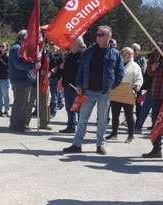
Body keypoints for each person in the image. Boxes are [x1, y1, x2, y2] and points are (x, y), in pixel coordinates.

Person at [63, 25, 124, 155]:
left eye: (101, 35)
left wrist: (112, 86)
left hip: (104, 92)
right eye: (97, 34)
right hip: (88, 91)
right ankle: (76, 145)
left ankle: (99, 145)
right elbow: (81, 70)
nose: (98, 37)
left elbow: (120, 72)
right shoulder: (89, 51)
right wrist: (79, 84)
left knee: (102, 120)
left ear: (109, 37)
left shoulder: (116, 54)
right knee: (83, 119)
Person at [106, 47, 143, 143]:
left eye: (130, 53)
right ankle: (114, 133)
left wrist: (136, 86)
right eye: (126, 53)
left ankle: (130, 136)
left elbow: (140, 79)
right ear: (122, 54)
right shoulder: (117, 64)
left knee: (129, 116)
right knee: (115, 114)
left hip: (128, 93)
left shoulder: (136, 66)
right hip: (116, 92)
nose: (129, 55)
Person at [9, 30, 36, 132]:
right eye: (27, 38)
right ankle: (18, 125)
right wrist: (31, 65)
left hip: (21, 79)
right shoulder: (17, 48)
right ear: (23, 38)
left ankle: (16, 124)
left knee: (21, 103)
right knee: (20, 103)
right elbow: (18, 64)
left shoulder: (19, 47)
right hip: (20, 80)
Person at [142, 44, 163, 158]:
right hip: (157, 92)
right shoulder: (158, 49)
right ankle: (157, 149)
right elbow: (149, 71)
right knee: (156, 121)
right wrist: (153, 67)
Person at [59, 37, 85, 133]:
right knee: (69, 107)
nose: (70, 45)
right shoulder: (70, 55)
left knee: (78, 108)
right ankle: (71, 126)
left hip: (76, 86)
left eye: (72, 44)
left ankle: (81, 128)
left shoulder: (82, 56)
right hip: (68, 85)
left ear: (78, 45)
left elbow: (81, 72)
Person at [48, 43, 64, 117]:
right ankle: (58, 104)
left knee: (54, 95)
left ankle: (53, 111)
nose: (51, 47)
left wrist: (51, 54)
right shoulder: (50, 55)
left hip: (56, 78)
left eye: (53, 46)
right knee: (55, 94)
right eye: (50, 46)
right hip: (52, 78)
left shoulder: (59, 56)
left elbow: (57, 66)